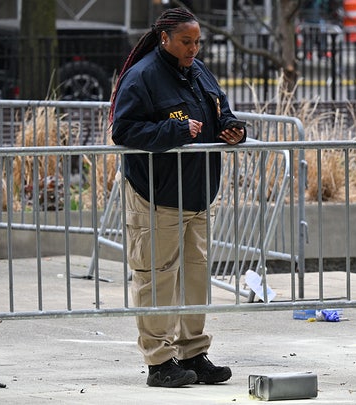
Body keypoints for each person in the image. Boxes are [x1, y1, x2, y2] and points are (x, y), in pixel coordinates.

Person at [109, 7, 245, 388]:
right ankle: (159, 361)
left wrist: (233, 129)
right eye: (187, 41)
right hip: (156, 195)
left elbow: (221, 111)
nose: (193, 48)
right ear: (164, 38)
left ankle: (193, 353)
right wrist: (176, 131)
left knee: (195, 278)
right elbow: (125, 130)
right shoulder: (143, 75)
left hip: (197, 195)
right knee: (156, 277)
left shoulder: (198, 72)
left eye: (197, 41)